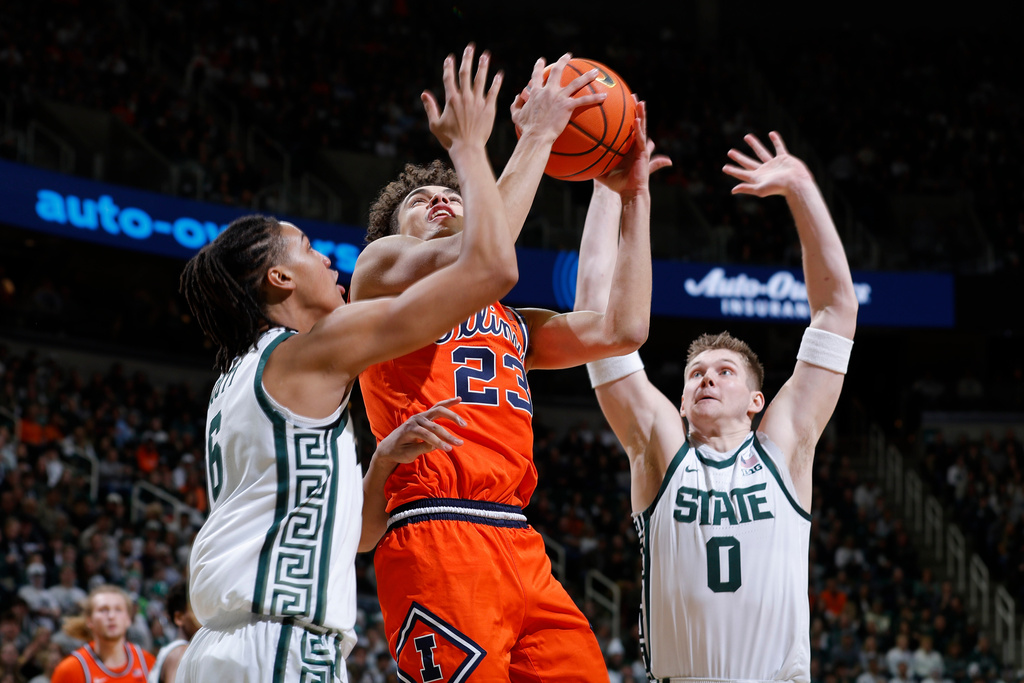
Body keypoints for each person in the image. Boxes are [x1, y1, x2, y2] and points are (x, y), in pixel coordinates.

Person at [175, 45, 518, 682]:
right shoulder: (312, 348)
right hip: (279, 646)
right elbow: (492, 269)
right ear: (278, 277)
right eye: (307, 248)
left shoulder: (240, 378)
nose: (327, 259)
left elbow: (353, 539)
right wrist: (471, 148)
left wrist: (381, 464)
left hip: (232, 649)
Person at [352, 51, 667, 680]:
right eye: (421, 201)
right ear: (393, 228)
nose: (440, 202)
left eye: (451, 194)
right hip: (435, 531)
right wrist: (541, 137)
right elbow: (481, 254)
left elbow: (621, 328)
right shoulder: (379, 272)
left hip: (519, 540)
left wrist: (632, 198)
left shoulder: (514, 322)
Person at [574, 132, 858, 681]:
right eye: (695, 374)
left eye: (724, 372)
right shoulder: (660, 446)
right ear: (680, 400)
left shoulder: (785, 447)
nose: (707, 378)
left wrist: (801, 187)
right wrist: (611, 189)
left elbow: (835, 308)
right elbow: (594, 313)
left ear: (757, 401)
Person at [50, 585, 155, 683]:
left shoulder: (147, 662)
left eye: (118, 609)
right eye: (103, 610)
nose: (111, 616)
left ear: (128, 619)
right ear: (89, 620)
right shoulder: (70, 670)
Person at [146, 583, 198, 683]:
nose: (204, 618)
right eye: (196, 610)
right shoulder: (180, 652)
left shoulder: (173, 649)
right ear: (179, 618)